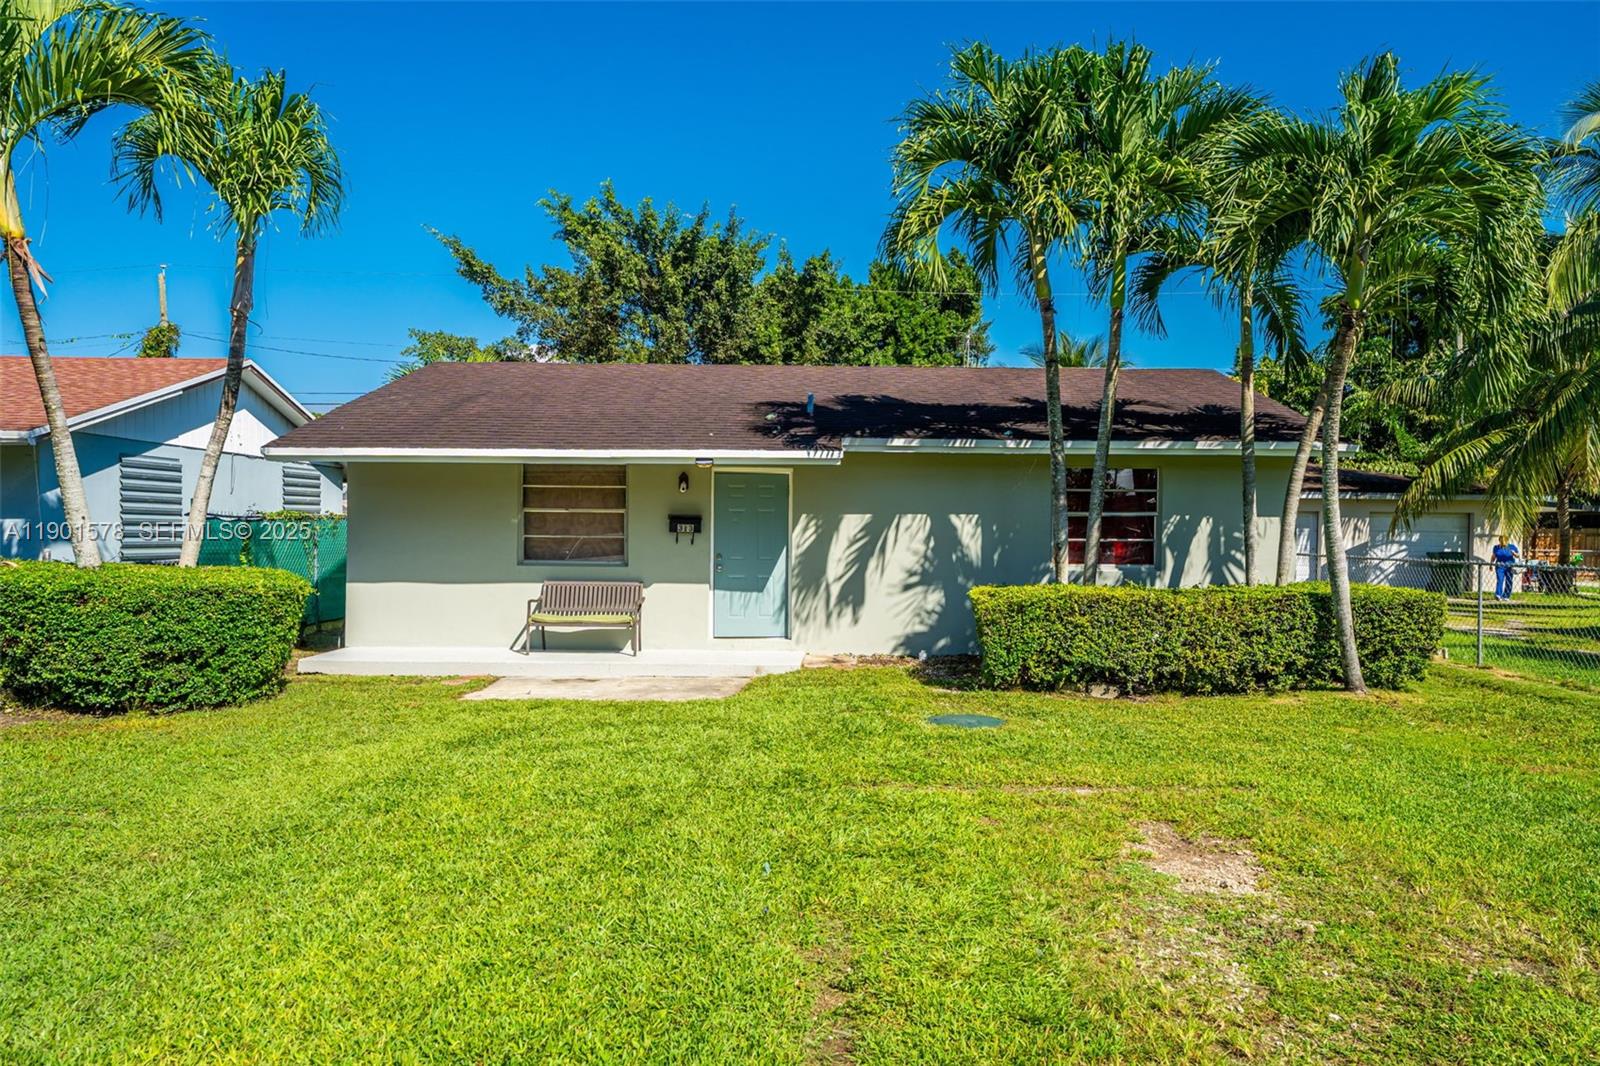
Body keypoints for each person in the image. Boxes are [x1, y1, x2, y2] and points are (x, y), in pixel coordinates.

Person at [1491, 535, 1520, 600]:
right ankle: (1498, 594)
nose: (1502, 544)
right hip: (1500, 566)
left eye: (1504, 542)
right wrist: (1491, 564)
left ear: (1507, 541)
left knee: (1509, 580)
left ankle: (1506, 596)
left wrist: (1514, 553)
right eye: (1501, 542)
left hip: (1509, 566)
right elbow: (1493, 556)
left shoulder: (1512, 547)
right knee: (1500, 579)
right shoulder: (1496, 547)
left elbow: (1518, 556)